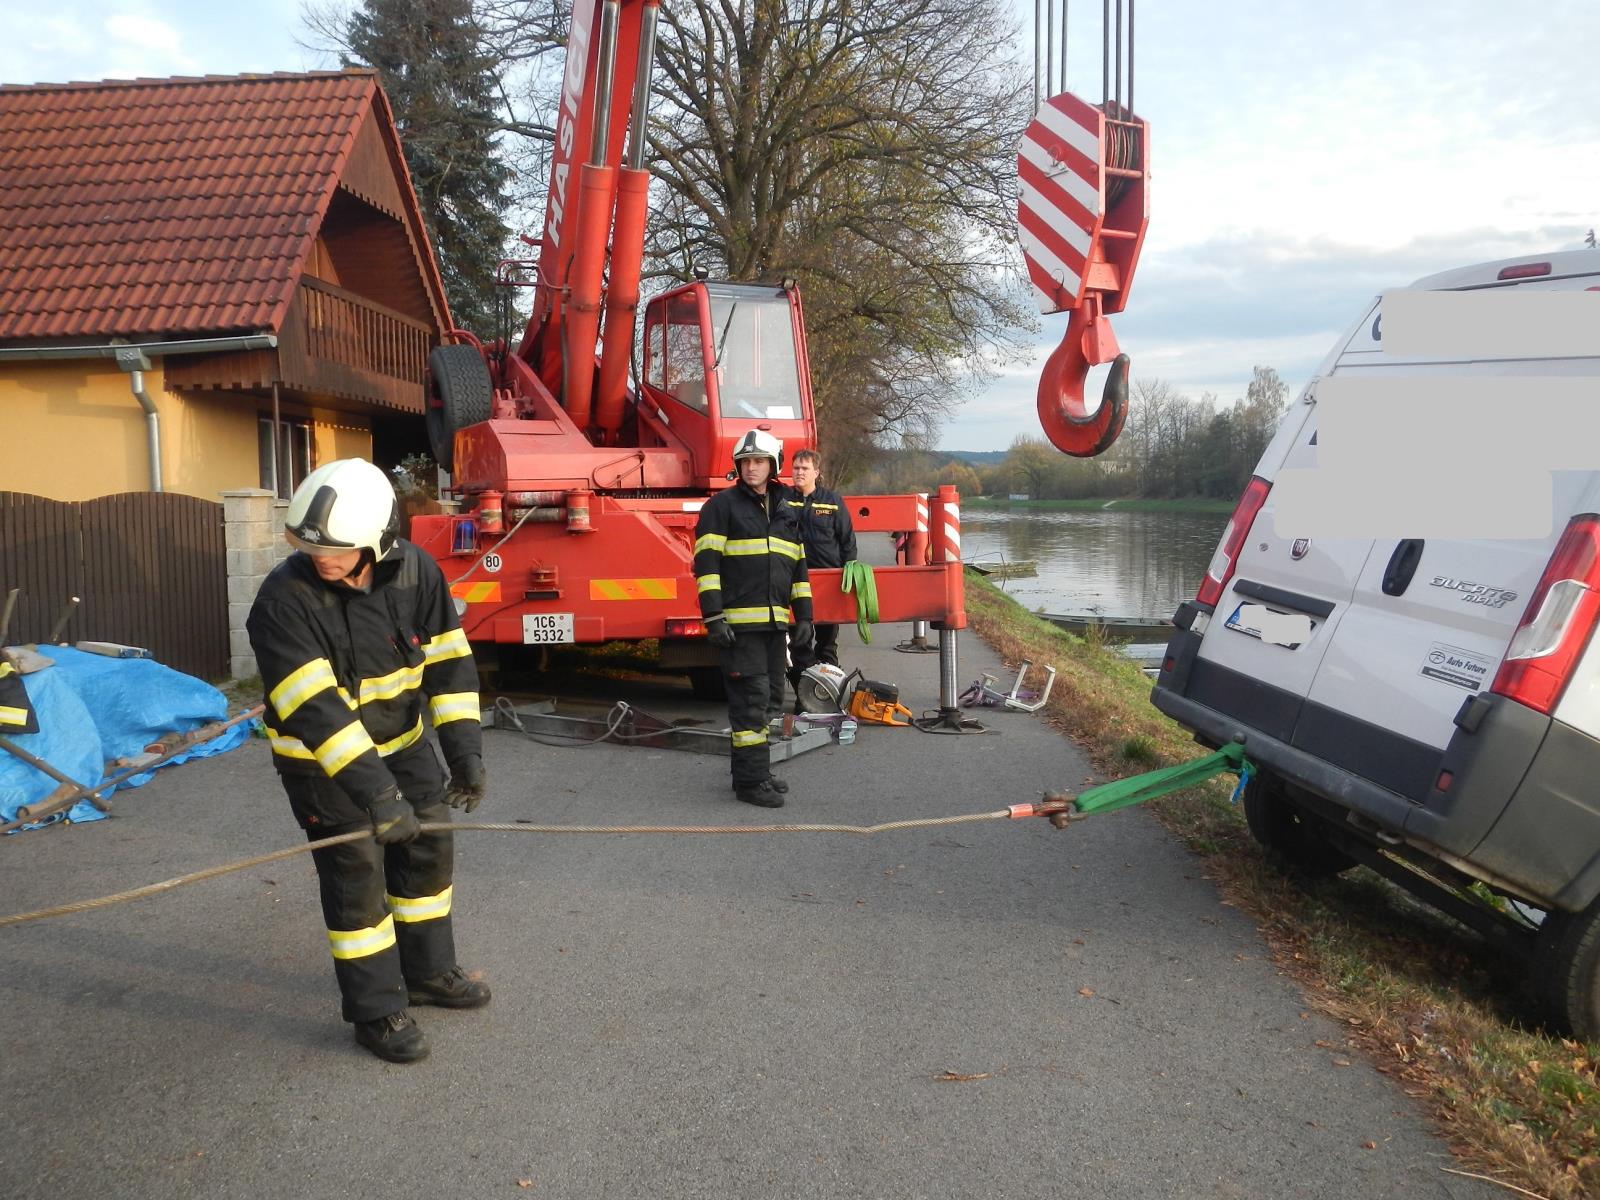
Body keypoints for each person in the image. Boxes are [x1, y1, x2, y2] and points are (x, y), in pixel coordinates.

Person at [246, 458, 489, 1064]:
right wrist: (380, 798)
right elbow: (317, 712)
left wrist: (465, 754)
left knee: (429, 853)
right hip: (322, 763)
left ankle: (428, 974)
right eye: (306, 546)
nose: (318, 558)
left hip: (403, 745)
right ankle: (377, 1011)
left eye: (336, 549)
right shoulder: (282, 601)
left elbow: (451, 669)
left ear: (378, 543)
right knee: (358, 878)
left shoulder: (418, 574)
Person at [693, 430, 814, 808]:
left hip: (775, 626)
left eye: (758, 461)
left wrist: (806, 615)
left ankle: (753, 771)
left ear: (773, 465)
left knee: (772, 700)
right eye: (745, 462)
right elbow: (707, 566)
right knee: (751, 699)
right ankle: (751, 783)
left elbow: (797, 566)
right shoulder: (721, 507)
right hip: (739, 627)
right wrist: (713, 616)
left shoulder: (786, 509)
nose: (751, 468)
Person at [785, 449, 857, 693]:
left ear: (817, 472)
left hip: (829, 579)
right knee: (798, 642)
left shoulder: (832, 501)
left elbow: (847, 539)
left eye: (805, 468)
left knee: (827, 643)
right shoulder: (784, 500)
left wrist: (849, 571)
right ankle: (803, 694)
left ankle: (828, 692)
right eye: (796, 468)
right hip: (794, 581)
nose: (799, 472)